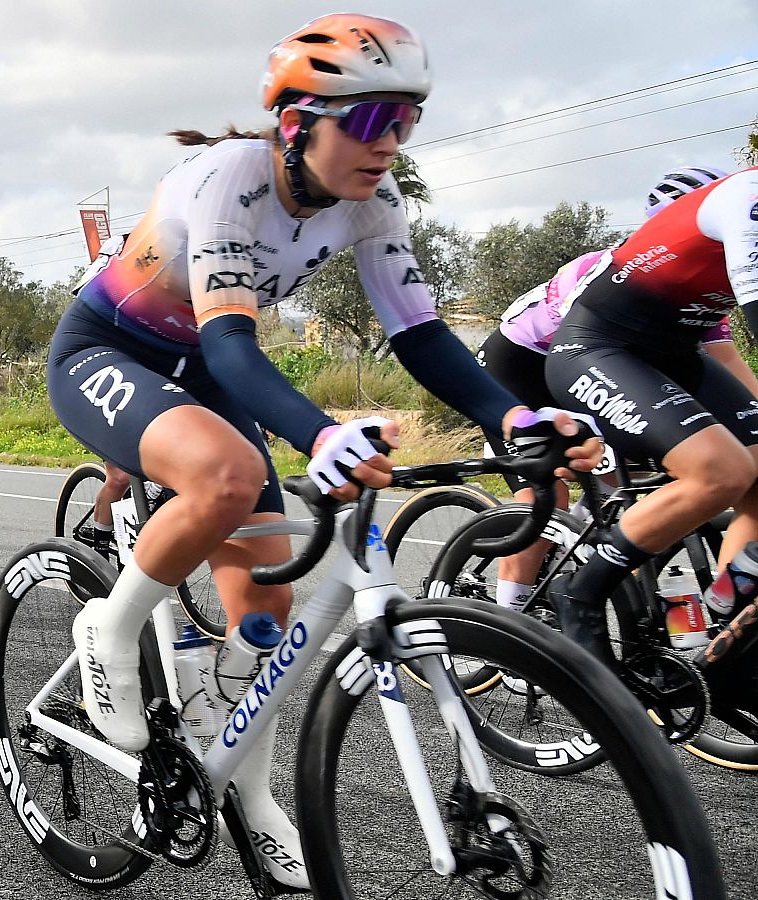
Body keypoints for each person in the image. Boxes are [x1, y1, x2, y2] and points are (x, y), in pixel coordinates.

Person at [44, 15, 598, 890]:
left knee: (264, 614)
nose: (391, 143)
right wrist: (322, 435)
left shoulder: (374, 206)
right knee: (224, 477)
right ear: (299, 119)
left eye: (406, 121)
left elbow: (419, 337)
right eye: (372, 121)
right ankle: (108, 624)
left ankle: (247, 791)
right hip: (113, 349)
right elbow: (230, 346)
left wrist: (512, 418)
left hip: (217, 366)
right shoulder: (233, 175)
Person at [478, 166, 751, 616]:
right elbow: (581, 359)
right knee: (548, 498)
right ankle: (513, 618)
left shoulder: (702, 295)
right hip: (521, 366)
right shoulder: (601, 268)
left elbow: (730, 365)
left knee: (646, 479)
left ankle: (603, 550)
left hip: (604, 364)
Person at [544, 163, 758, 667]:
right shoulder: (747, 198)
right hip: (599, 347)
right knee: (722, 472)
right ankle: (581, 592)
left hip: (675, 355)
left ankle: (725, 631)